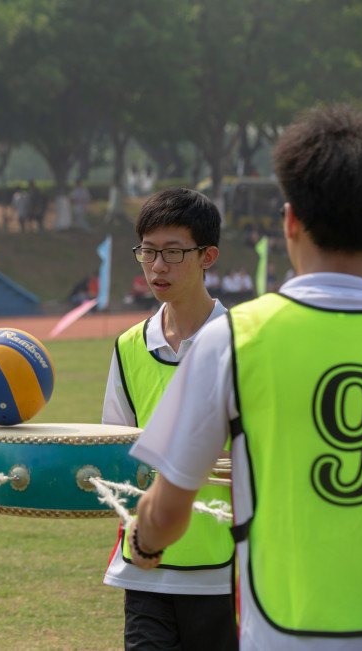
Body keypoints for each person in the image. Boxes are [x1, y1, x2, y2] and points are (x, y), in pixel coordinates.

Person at [126, 105, 362, 650]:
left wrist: (146, 542)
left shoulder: (232, 338)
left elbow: (167, 508)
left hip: (283, 629)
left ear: (290, 221)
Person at [101, 187, 234, 650]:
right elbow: (116, 449)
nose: (157, 266)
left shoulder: (242, 343)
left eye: (173, 253)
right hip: (146, 565)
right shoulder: (128, 346)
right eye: (148, 252)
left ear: (207, 256)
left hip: (225, 570)